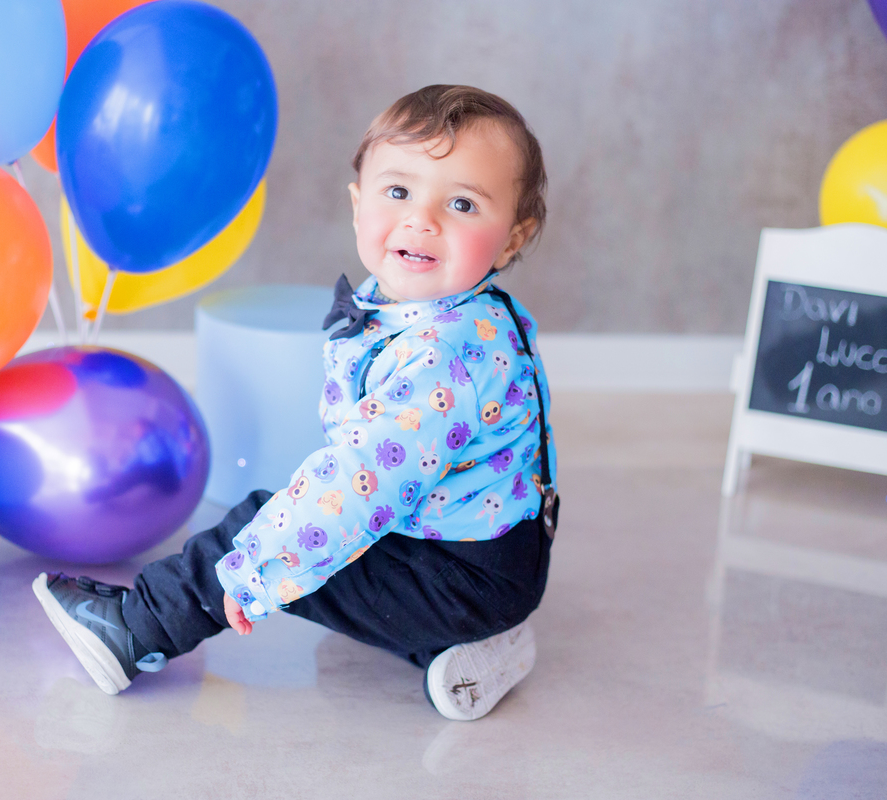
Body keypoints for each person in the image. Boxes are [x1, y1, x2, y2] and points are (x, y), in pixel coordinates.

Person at [34, 84, 559, 721]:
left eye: (462, 203)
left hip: (461, 572)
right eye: (399, 192)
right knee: (319, 535)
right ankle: (464, 647)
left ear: (510, 240)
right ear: (358, 203)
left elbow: (364, 483)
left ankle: (137, 630)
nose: (423, 220)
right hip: (479, 549)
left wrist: (255, 569)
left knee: (272, 522)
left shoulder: (445, 355)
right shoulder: (437, 306)